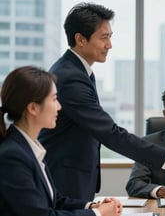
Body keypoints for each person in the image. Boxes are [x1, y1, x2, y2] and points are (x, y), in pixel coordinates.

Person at [38, 2, 165, 201]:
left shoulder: (78, 72)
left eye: (110, 37)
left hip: (72, 177)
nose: (109, 45)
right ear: (80, 39)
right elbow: (109, 132)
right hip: (64, 179)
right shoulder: (71, 77)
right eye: (104, 38)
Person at [0, 66, 122, 216]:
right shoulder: (12, 156)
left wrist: (91, 206)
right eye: (54, 99)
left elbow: (55, 201)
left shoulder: (29, 149)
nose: (59, 107)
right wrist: (98, 213)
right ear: (33, 108)